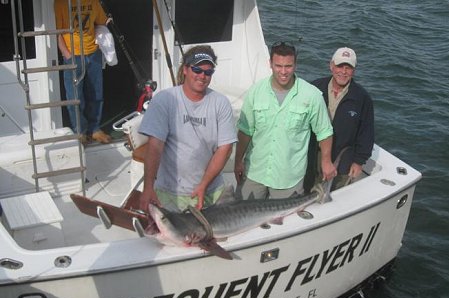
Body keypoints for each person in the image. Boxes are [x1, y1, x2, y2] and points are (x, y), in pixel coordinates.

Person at [138, 45, 236, 212]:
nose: (202, 76)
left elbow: (225, 149)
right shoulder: (164, 100)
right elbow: (155, 146)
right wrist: (148, 188)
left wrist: (203, 185)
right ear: (185, 70)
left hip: (211, 191)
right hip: (169, 192)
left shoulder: (221, 103)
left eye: (208, 72)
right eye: (197, 69)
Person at [234, 42, 336, 200]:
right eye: (278, 66)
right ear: (270, 64)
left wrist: (326, 162)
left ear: (295, 65)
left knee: (288, 224)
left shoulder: (312, 95)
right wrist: (238, 160)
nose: (283, 72)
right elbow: (246, 131)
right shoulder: (255, 91)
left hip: (289, 178)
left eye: (288, 66)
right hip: (255, 171)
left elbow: (324, 132)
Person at [312, 47, 374, 190]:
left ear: (354, 70)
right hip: (312, 156)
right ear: (331, 65)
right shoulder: (314, 88)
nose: (343, 71)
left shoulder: (362, 98)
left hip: (342, 162)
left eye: (348, 68)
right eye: (340, 66)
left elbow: (366, 134)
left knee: (333, 198)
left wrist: (359, 162)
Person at [54, 0, 112, 144]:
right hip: (73, 56)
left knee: (96, 95)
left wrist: (108, 22)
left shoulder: (93, 1)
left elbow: (101, 22)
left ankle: (95, 129)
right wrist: (67, 55)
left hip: (93, 53)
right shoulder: (60, 3)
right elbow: (58, 32)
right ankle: (80, 131)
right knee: (74, 98)